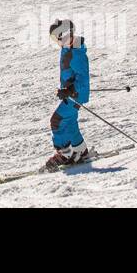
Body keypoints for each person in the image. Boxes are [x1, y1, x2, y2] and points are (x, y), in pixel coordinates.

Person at [46, 18, 91, 167]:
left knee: (56, 121)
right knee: (70, 123)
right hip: (72, 94)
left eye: (57, 38)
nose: (56, 42)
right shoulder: (68, 47)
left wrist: (70, 90)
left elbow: (83, 79)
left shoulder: (76, 53)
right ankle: (81, 151)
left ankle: (65, 155)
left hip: (76, 95)